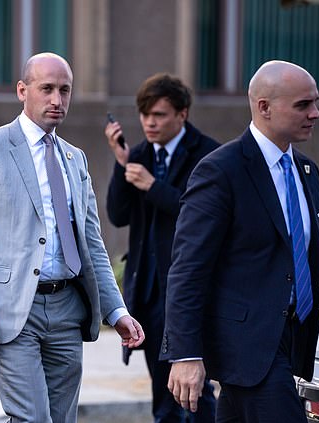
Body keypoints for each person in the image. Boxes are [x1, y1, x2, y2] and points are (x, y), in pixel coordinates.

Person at [161, 60, 319, 423]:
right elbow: (188, 268)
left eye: (315, 102)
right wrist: (185, 354)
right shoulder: (221, 170)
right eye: (303, 105)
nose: (316, 113)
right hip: (247, 344)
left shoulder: (307, 171)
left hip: (290, 337)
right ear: (264, 107)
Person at [0, 52, 145, 423]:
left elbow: (92, 244)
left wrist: (116, 310)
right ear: (23, 91)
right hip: (13, 310)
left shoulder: (75, 158)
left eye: (65, 90)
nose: (57, 100)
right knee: (32, 418)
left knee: (61, 419)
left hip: (69, 309)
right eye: (47, 89)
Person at [105, 73, 218, 423]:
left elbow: (203, 216)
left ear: (182, 114)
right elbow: (117, 214)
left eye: (159, 114)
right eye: (144, 115)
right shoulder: (139, 153)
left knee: (194, 391)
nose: (150, 123)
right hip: (149, 293)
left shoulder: (209, 155)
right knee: (162, 391)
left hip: (187, 290)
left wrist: (154, 186)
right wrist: (121, 164)